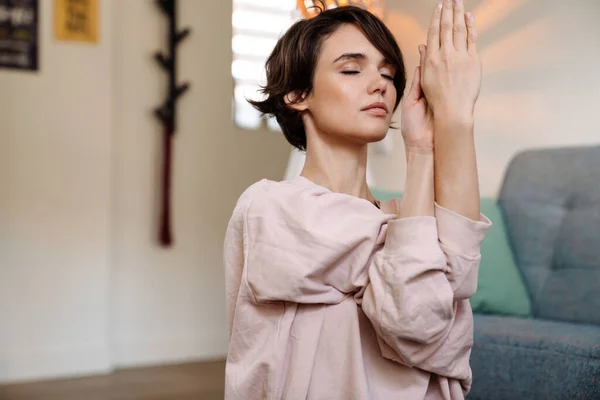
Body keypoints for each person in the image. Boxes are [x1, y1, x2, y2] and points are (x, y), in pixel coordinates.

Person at [223, 1, 492, 399]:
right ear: (298, 93)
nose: (380, 84)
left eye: (388, 73)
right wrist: (429, 259)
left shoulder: (403, 220)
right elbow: (417, 319)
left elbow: (436, 298)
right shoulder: (271, 207)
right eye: (351, 69)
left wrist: (443, 127)